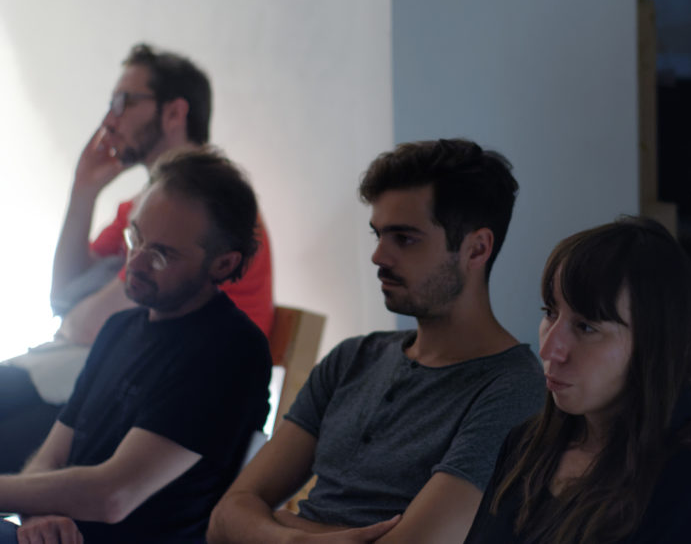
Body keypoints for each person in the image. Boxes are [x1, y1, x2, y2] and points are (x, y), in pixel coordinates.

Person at [207, 138, 545, 544]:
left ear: (476, 249)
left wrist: (278, 526)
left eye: (404, 238)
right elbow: (224, 518)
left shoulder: (512, 388)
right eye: (379, 235)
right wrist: (294, 541)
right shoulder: (352, 358)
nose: (379, 256)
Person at [0, 42, 275, 474]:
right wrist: (83, 191)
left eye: (124, 102)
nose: (110, 119)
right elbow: (64, 297)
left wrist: (74, 320)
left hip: (167, 398)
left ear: (174, 113)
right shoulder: (140, 209)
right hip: (109, 375)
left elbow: (85, 325)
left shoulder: (214, 215)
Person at [0, 147, 272, 544]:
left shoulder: (229, 350)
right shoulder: (120, 328)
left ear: (223, 264)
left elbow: (114, 496)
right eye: (136, 237)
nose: (136, 262)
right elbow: (51, 455)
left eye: (161, 254)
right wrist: (37, 517)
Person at [463, 217, 691, 544]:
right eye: (550, 313)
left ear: (652, 346)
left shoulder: (686, 481)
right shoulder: (524, 444)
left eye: (586, 327)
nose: (549, 349)